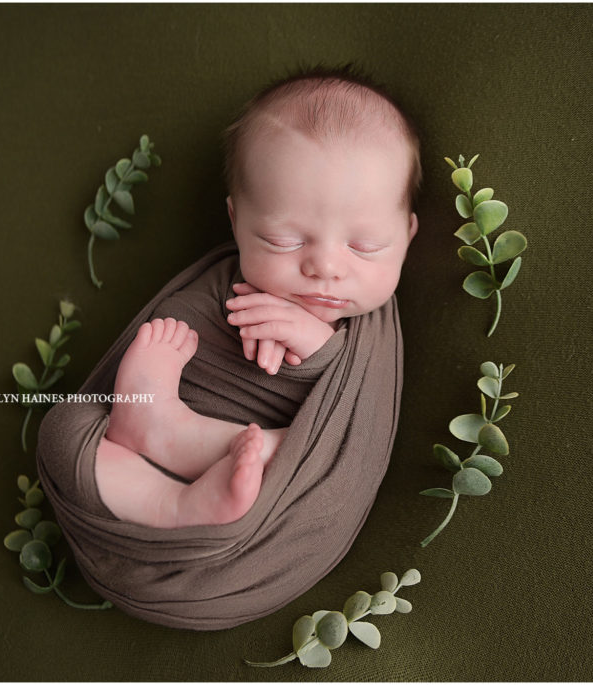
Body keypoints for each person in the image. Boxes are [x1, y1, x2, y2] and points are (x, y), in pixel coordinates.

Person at [91, 65, 421, 529]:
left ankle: (194, 470)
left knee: (311, 451)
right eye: (284, 241)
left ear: (407, 236)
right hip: (137, 470)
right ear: (236, 220)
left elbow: (352, 424)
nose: (324, 268)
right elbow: (179, 330)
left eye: (364, 247)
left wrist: (318, 351)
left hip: (260, 489)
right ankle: (169, 494)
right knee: (67, 433)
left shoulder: (373, 341)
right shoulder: (220, 288)